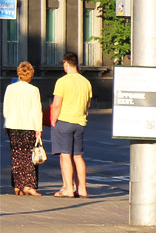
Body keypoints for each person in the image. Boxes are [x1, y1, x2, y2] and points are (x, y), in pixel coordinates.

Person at [50, 51, 92, 198]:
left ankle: (68, 188)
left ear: (66, 63)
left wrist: (53, 121)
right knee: (78, 156)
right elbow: (88, 105)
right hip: (80, 122)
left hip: (64, 121)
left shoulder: (62, 81)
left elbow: (56, 104)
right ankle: (82, 188)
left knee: (65, 155)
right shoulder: (86, 82)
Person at [3, 62, 44, 196]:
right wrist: (39, 128)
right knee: (29, 155)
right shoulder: (34, 90)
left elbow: (6, 109)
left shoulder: (10, 88)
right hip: (28, 126)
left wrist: (8, 121)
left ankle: (17, 185)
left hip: (13, 124)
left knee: (16, 155)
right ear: (31, 75)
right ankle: (29, 185)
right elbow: (37, 110)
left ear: (19, 73)